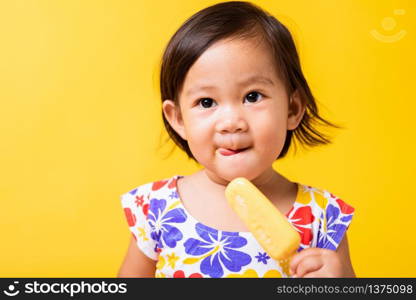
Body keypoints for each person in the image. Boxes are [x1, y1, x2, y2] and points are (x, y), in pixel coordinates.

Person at [118, 1, 355, 278]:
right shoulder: (156, 209)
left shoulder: (322, 218)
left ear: (292, 109)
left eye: (252, 96)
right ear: (178, 119)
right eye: (206, 102)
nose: (231, 123)